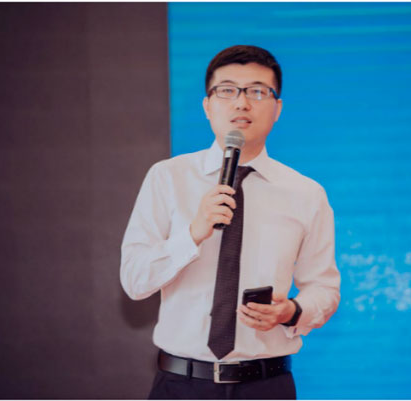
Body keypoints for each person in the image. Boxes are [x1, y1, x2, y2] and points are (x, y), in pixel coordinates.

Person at [120, 45, 341, 400]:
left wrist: (291, 311)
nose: (242, 103)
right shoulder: (168, 177)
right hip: (181, 385)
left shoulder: (306, 193)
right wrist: (193, 234)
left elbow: (324, 288)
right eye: (227, 91)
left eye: (257, 91)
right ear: (207, 106)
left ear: (277, 108)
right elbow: (134, 280)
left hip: (266, 386)